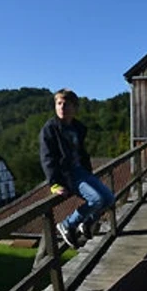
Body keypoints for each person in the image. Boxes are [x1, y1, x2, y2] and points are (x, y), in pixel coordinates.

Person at [39, 88, 115, 248]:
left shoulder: (77, 128)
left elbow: (81, 153)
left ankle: (86, 223)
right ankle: (67, 224)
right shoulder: (50, 129)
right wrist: (54, 184)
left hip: (82, 171)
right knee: (96, 199)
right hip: (68, 175)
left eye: (66, 104)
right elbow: (47, 158)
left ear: (75, 108)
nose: (61, 107)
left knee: (109, 198)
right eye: (58, 103)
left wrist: (88, 172)